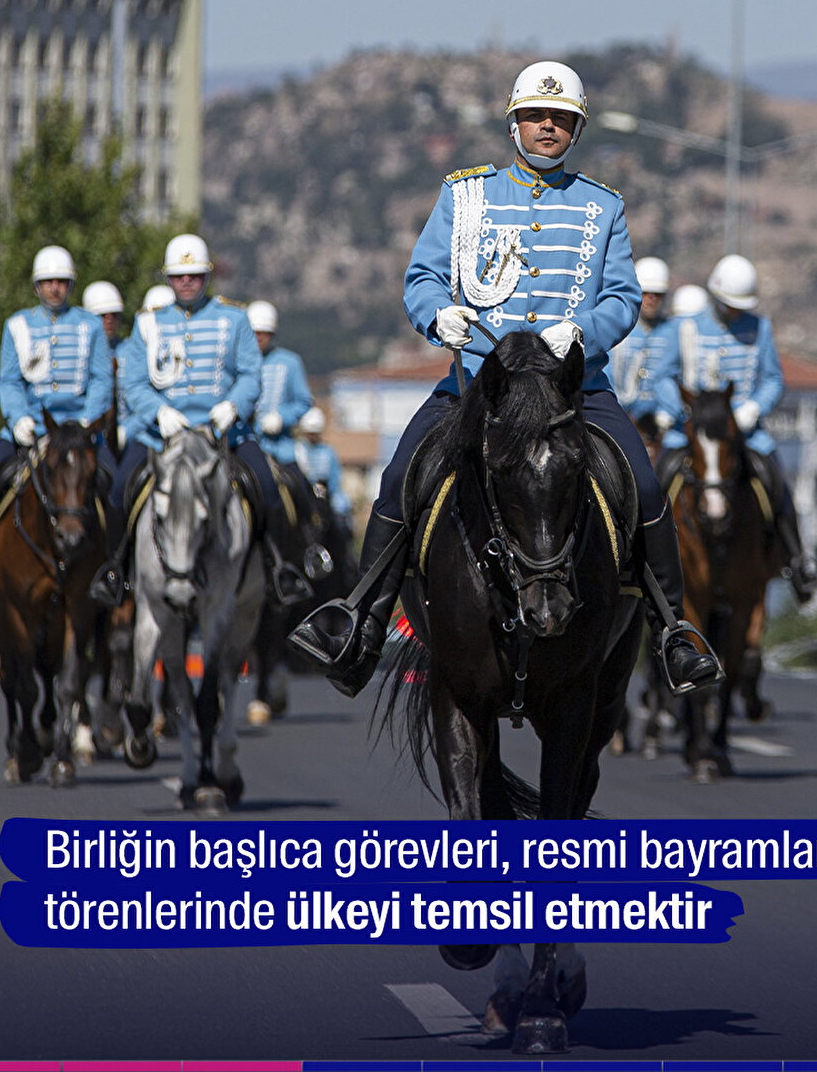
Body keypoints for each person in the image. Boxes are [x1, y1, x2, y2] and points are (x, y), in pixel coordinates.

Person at [292, 60, 722, 697]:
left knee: (648, 487)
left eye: (561, 119)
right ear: (514, 123)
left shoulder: (603, 206)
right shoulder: (464, 195)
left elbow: (623, 297)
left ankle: (672, 634)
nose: (547, 127)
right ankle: (361, 620)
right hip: (479, 385)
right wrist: (438, 315)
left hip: (572, 389)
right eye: (535, 116)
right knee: (400, 477)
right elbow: (423, 278)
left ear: (576, 129)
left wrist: (583, 332)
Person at [91, 234, 309, 606]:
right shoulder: (149, 323)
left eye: (194, 275)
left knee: (268, 488)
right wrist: (158, 412)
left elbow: (251, 374)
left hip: (224, 434)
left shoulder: (234, 318)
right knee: (119, 489)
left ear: (207, 276)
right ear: (168, 278)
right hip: (162, 435)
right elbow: (134, 382)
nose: (187, 282)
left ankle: (279, 570)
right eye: (179, 276)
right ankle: (115, 570)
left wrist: (233, 406)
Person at [660, 252, 817, 603]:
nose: (734, 311)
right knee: (657, 482)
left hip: (744, 436)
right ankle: (642, 561)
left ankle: (797, 561)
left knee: (776, 483)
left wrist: (754, 408)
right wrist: (681, 412)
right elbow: (662, 377)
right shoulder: (683, 327)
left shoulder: (759, 328)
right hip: (692, 435)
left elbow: (773, 380)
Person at [0, 245, 113, 592]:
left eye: (61, 282)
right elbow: (9, 380)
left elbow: (102, 379)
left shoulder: (90, 326)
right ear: (36, 287)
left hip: (78, 432)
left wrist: (87, 422)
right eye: (47, 282)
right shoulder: (17, 325)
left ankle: (114, 570)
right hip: (31, 430)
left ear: (71, 285)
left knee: (114, 488)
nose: (55, 288)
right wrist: (18, 419)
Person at [610, 256, 680, 439]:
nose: (651, 299)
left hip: (666, 427)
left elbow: (679, 377)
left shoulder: (674, 331)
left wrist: (668, 412)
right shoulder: (618, 328)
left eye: (658, 294)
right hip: (621, 418)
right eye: (645, 292)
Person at [247, 301, 313, 465]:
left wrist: (281, 418)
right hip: (244, 444)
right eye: (254, 332)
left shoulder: (290, 362)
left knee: (297, 480)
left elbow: (304, 401)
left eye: (264, 333)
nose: (259, 338)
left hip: (280, 448)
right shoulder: (236, 362)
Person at [83, 280, 128, 452]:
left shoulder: (130, 350)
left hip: (126, 430)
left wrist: (128, 430)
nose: (109, 320)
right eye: (102, 315)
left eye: (114, 315)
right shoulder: (80, 352)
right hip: (90, 430)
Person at [294, 405, 352, 530]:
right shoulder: (298, 450)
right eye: (310, 433)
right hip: (305, 493)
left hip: (325, 494)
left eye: (315, 433)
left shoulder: (328, 452)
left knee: (341, 505)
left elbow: (334, 480)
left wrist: (328, 492)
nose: (312, 436)